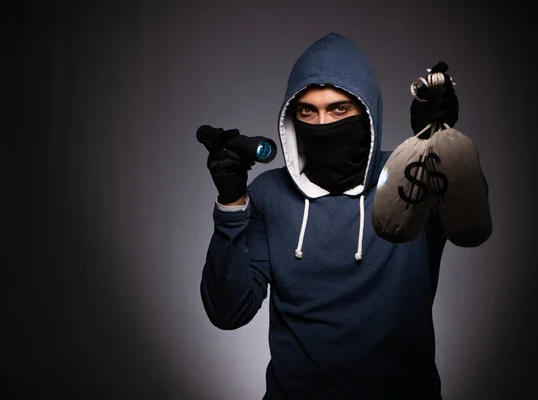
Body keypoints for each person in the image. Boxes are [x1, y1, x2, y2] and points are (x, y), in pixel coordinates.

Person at [199, 32, 487, 399]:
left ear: (366, 113)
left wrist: (438, 144)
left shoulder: (409, 177)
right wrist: (231, 202)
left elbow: (472, 223)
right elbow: (228, 312)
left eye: (339, 109)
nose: (322, 125)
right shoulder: (268, 194)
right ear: (292, 116)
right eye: (308, 111)